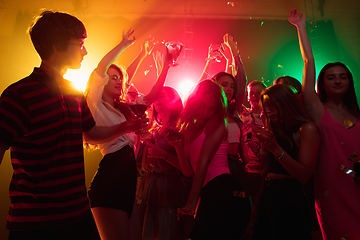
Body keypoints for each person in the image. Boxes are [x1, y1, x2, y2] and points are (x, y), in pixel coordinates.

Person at [0, 10, 147, 240]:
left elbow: (89, 134)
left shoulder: (73, 92)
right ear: (56, 47)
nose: (85, 50)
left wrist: (126, 127)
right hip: (35, 222)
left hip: (77, 214)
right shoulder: (19, 95)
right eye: (79, 43)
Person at [85, 30, 180, 240]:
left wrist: (165, 65)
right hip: (110, 180)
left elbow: (153, 94)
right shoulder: (96, 104)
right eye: (113, 78)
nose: (119, 81)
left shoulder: (125, 109)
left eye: (120, 78)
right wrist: (124, 44)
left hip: (128, 182)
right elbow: (100, 69)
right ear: (102, 82)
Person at [289, 8, 360, 240]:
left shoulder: (357, 115)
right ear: (323, 83)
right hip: (333, 192)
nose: (338, 80)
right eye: (331, 77)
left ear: (350, 81)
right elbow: (309, 62)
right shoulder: (319, 110)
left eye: (343, 76)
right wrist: (301, 27)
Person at [175, 80, 249, 240]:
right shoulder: (188, 128)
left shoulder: (217, 124)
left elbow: (203, 164)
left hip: (225, 189)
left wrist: (191, 202)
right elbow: (188, 171)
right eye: (202, 105)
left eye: (212, 108)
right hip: (209, 192)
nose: (205, 112)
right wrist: (177, 147)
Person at [251, 84, 320, 240]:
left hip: (290, 198)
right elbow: (266, 167)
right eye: (265, 106)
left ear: (286, 103)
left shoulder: (306, 129)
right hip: (269, 194)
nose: (267, 110)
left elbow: (304, 175)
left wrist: (275, 149)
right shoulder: (278, 128)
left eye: (271, 106)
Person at [136, 86, 194, 240]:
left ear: (173, 100)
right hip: (148, 187)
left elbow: (187, 170)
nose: (157, 100)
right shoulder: (155, 129)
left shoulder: (182, 128)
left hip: (169, 188)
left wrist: (163, 155)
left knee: (166, 230)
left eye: (161, 96)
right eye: (156, 97)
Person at [240, 80, 267, 202]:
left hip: (267, 171)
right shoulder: (243, 114)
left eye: (258, 93)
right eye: (251, 93)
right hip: (247, 171)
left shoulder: (272, 116)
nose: (255, 96)